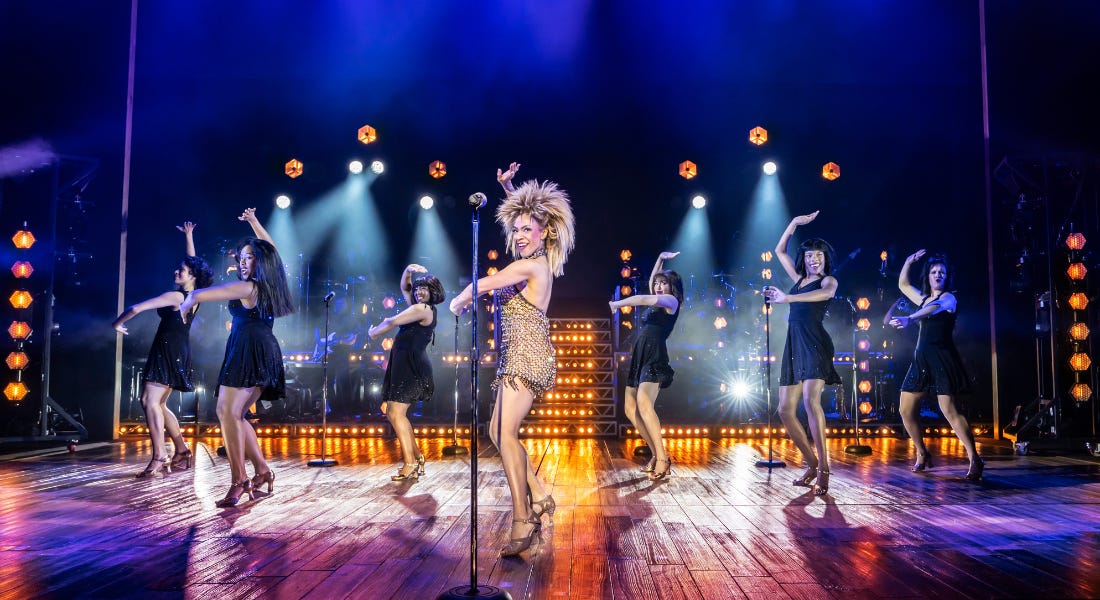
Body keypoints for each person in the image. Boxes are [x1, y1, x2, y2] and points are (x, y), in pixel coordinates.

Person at [449, 162, 574, 557]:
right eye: (515, 230)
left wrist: (462, 297)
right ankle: (537, 496)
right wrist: (508, 186)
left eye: (527, 230)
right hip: (516, 355)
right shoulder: (534, 258)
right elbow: (528, 217)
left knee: (503, 434)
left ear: (545, 233)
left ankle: (523, 518)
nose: (519, 236)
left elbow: (484, 282)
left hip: (526, 356)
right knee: (495, 432)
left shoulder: (531, 265)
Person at [179, 208, 294, 507]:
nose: (243, 262)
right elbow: (272, 251)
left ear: (262, 261)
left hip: (251, 350)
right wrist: (254, 222)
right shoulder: (267, 286)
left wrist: (190, 299)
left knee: (228, 413)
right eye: (241, 258)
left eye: (250, 257)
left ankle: (239, 480)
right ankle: (263, 470)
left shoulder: (251, 286)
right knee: (233, 414)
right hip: (250, 348)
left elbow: (206, 294)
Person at [112, 222, 214, 477]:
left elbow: (136, 308)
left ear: (191, 276)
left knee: (148, 401)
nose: (176, 271)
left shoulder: (176, 297)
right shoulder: (193, 295)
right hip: (176, 350)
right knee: (159, 403)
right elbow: (194, 263)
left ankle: (160, 455)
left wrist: (117, 323)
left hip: (168, 350)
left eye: (181, 270)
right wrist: (190, 236)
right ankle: (181, 450)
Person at [763, 211, 842, 496]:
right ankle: (811, 463)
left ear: (825, 259)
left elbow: (825, 295)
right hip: (794, 345)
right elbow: (779, 250)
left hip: (815, 344)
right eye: (809, 255)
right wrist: (794, 223)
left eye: (818, 256)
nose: (813, 259)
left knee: (811, 402)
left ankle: (825, 470)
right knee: (785, 410)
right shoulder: (797, 279)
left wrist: (788, 298)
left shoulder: (828, 281)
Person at [889, 250, 983, 480]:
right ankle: (922, 453)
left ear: (947, 276)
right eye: (933, 272)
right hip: (921, 359)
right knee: (905, 410)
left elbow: (935, 308)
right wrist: (908, 261)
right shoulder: (922, 298)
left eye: (942, 272)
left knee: (949, 410)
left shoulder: (949, 298)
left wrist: (910, 318)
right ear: (928, 276)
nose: (938, 274)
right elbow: (902, 284)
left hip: (942, 358)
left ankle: (975, 459)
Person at [609, 251, 682, 480]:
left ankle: (662, 459)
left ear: (673, 287)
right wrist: (659, 258)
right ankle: (656, 454)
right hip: (640, 355)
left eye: (664, 284)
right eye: (658, 283)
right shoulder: (659, 295)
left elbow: (641, 298)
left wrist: (617, 304)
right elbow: (651, 283)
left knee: (643, 403)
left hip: (654, 355)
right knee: (630, 409)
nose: (659, 287)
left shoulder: (671, 302)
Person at [368, 264, 445, 482]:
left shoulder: (423, 309)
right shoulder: (419, 306)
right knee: (394, 412)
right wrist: (408, 271)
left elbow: (391, 321)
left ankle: (410, 463)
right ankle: (417, 458)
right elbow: (405, 288)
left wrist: (373, 333)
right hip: (404, 365)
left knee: (395, 413)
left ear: (433, 292)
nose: (419, 292)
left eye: (424, 289)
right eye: (418, 288)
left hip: (412, 367)